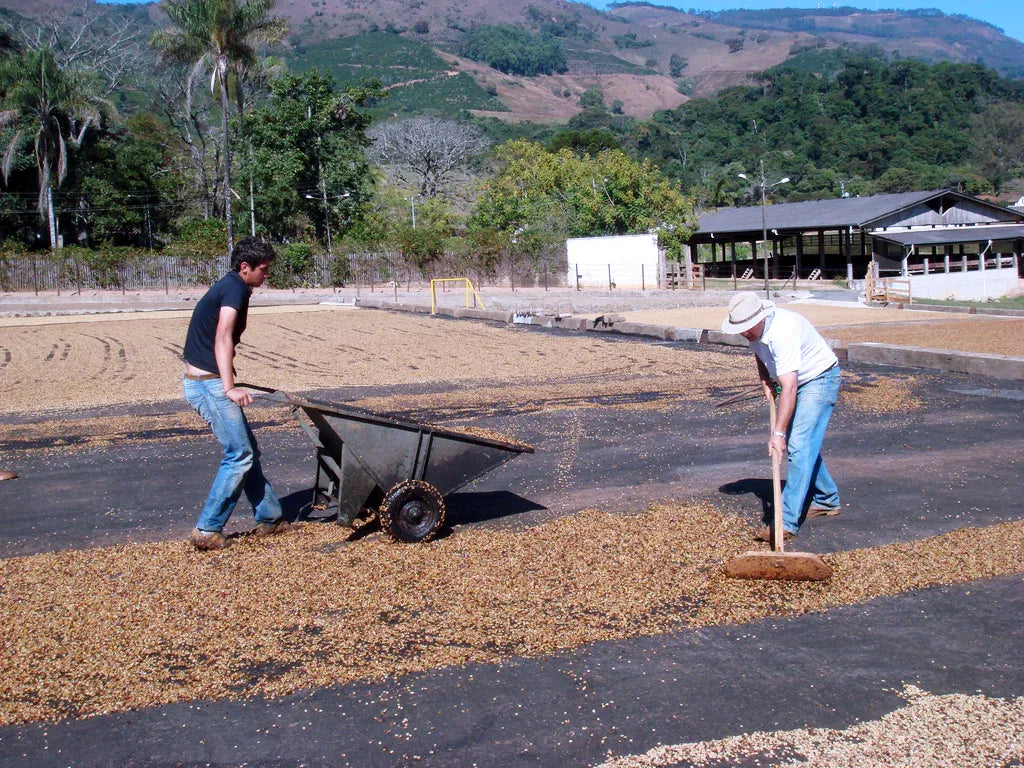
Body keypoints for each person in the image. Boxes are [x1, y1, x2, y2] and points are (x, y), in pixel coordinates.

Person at [182, 237, 291, 550]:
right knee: (239, 454)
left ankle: (270, 518)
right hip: (208, 385)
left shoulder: (231, 285)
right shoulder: (236, 288)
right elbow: (222, 336)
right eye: (264, 269)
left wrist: (225, 371)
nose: (267, 274)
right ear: (246, 268)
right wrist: (228, 386)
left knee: (246, 450)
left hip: (205, 378)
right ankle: (207, 529)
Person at [722, 291, 841, 540]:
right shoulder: (753, 331)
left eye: (746, 328)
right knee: (804, 444)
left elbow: (790, 387)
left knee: (797, 445)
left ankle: (785, 522)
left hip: (819, 379)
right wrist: (764, 377)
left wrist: (778, 434)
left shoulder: (782, 332)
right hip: (795, 380)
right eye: (740, 329)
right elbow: (758, 351)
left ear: (761, 318)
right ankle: (828, 499)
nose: (744, 333)